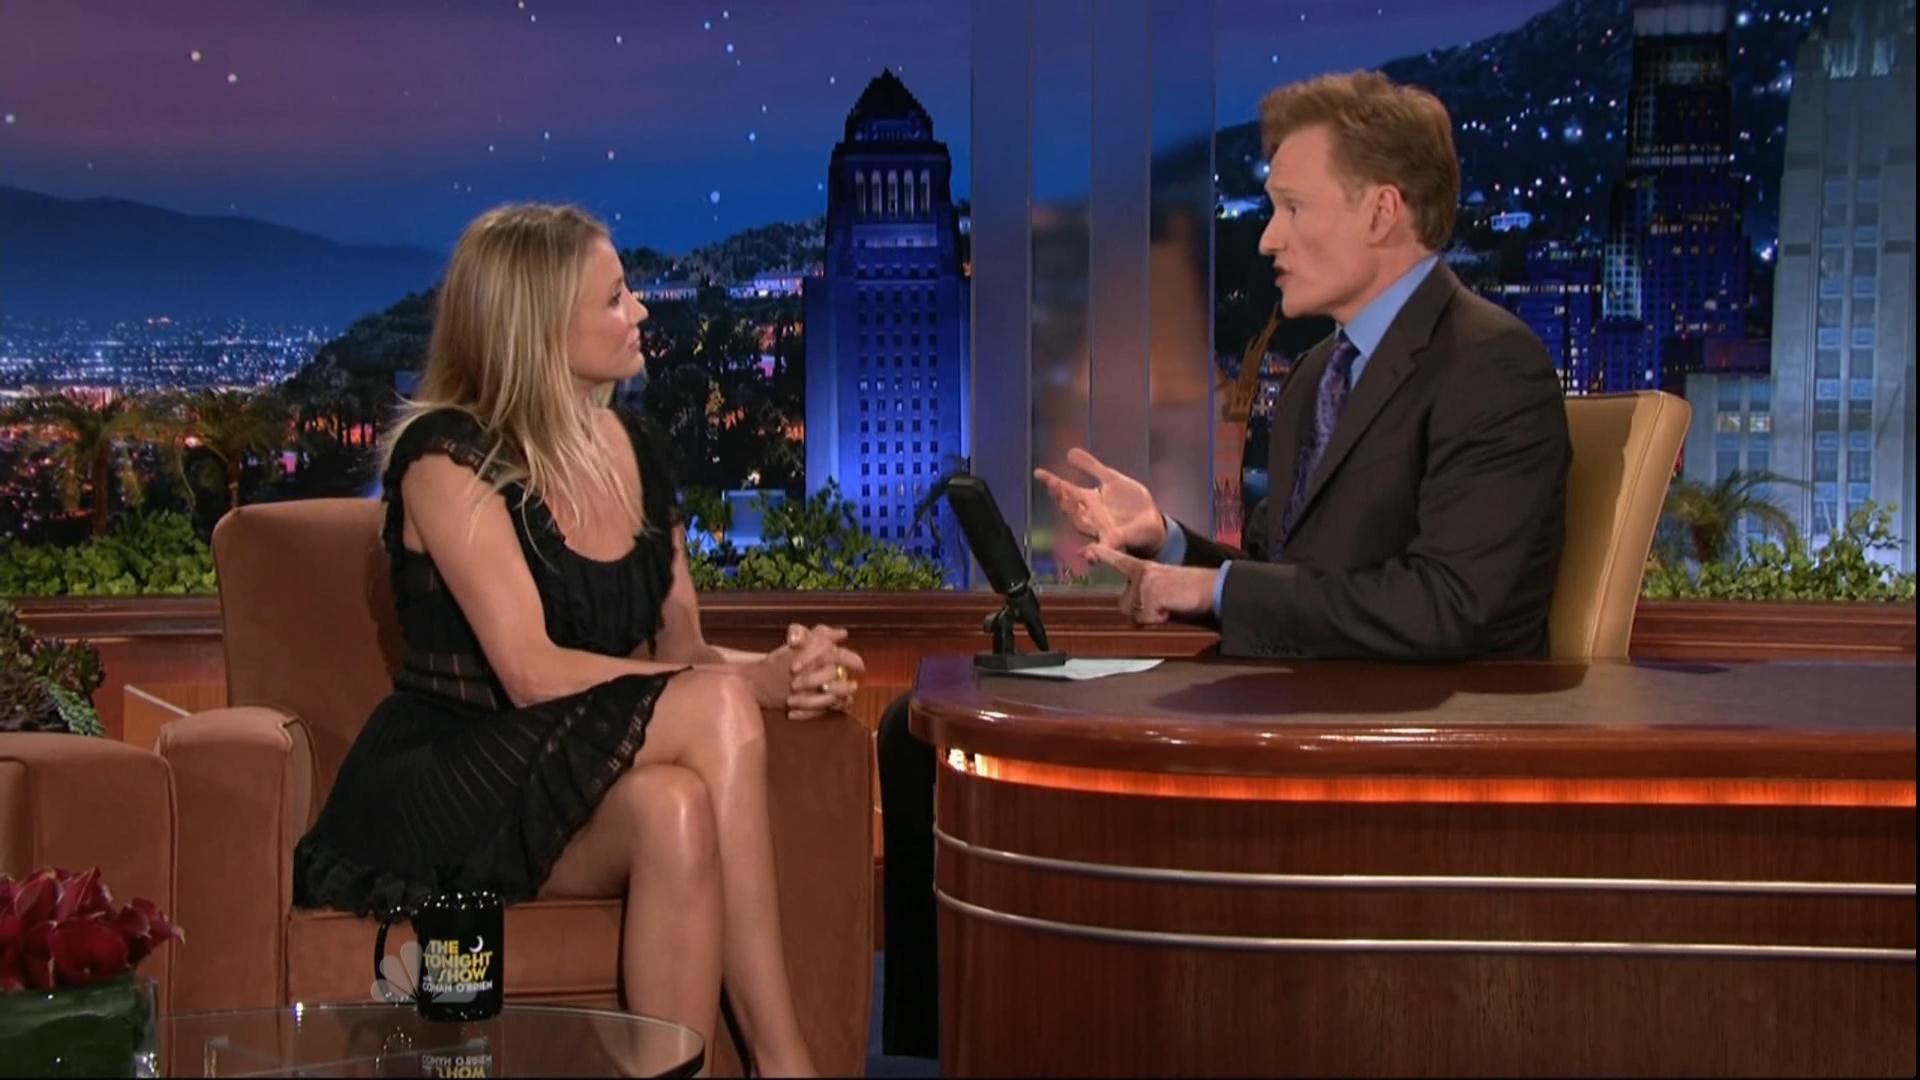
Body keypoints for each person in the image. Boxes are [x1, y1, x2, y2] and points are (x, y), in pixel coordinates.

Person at [877, 69, 1571, 1056]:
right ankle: (941, 1048)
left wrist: (1214, 586)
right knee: (920, 729)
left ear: (1381, 212)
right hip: (1291, 702)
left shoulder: (1490, 364)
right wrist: (1170, 544)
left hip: (1400, 752)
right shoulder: (1321, 374)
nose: (1266, 239)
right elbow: (1296, 580)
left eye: (1292, 208)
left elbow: (1452, 606)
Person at [291, 203, 864, 1078]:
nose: (641, 310)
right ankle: (785, 1064)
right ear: (539, 326)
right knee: (713, 712)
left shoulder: (640, 450)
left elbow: (682, 652)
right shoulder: (447, 459)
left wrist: (781, 671)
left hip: (572, 767)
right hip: (453, 772)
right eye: (616, 297)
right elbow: (530, 670)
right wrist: (741, 688)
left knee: (675, 811)